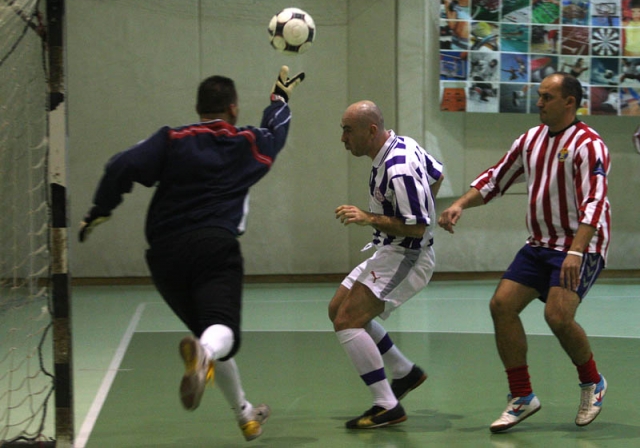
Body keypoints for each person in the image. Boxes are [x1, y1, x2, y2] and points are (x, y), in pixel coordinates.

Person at [78, 66, 305, 441]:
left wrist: (102, 208)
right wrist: (279, 98)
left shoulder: (172, 139)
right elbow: (276, 132)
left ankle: (246, 415)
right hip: (213, 247)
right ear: (233, 108)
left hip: (164, 257)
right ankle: (203, 355)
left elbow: (121, 164)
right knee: (223, 332)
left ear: (198, 107)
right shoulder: (245, 142)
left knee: (210, 334)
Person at [438, 72, 610, 433]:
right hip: (539, 244)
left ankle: (592, 382)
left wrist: (576, 253)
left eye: (547, 97)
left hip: (580, 246)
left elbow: (595, 202)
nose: (539, 103)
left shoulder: (589, 145)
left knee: (558, 317)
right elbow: (496, 178)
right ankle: (522, 396)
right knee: (501, 305)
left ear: (569, 102)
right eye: (540, 96)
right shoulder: (531, 139)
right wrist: (460, 205)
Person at [329, 100, 444, 429]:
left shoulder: (399, 167)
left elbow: (419, 227)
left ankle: (386, 404)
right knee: (337, 307)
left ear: (372, 131)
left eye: (348, 131)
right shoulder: (402, 142)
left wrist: (369, 218)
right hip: (390, 250)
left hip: (409, 256)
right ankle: (404, 372)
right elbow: (437, 173)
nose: (343, 138)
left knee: (348, 320)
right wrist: (422, 203)